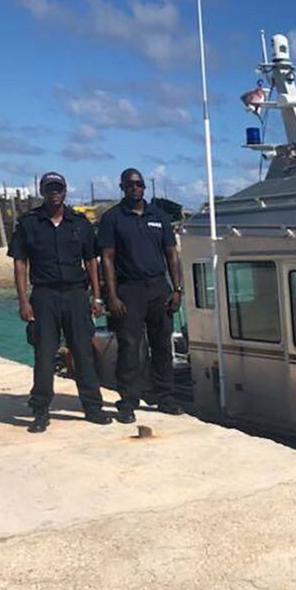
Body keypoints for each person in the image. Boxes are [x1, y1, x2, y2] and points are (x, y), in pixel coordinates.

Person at [8, 172, 112, 433]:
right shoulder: (29, 224)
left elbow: (91, 261)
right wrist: (23, 301)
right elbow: (20, 263)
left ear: (65, 191)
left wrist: (96, 296)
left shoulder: (79, 223)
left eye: (58, 188)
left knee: (83, 353)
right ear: (42, 191)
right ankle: (41, 410)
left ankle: (92, 407)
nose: (54, 192)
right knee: (44, 354)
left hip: (76, 294)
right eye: (49, 188)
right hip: (44, 296)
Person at [98, 168, 184, 423]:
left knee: (162, 345)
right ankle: (128, 400)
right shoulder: (112, 218)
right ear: (122, 187)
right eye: (130, 184)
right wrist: (111, 296)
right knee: (130, 347)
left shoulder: (159, 216)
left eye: (139, 184)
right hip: (129, 289)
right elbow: (107, 258)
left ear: (144, 187)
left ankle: (165, 396)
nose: (135, 188)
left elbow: (172, 254)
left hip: (158, 288)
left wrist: (177, 289)